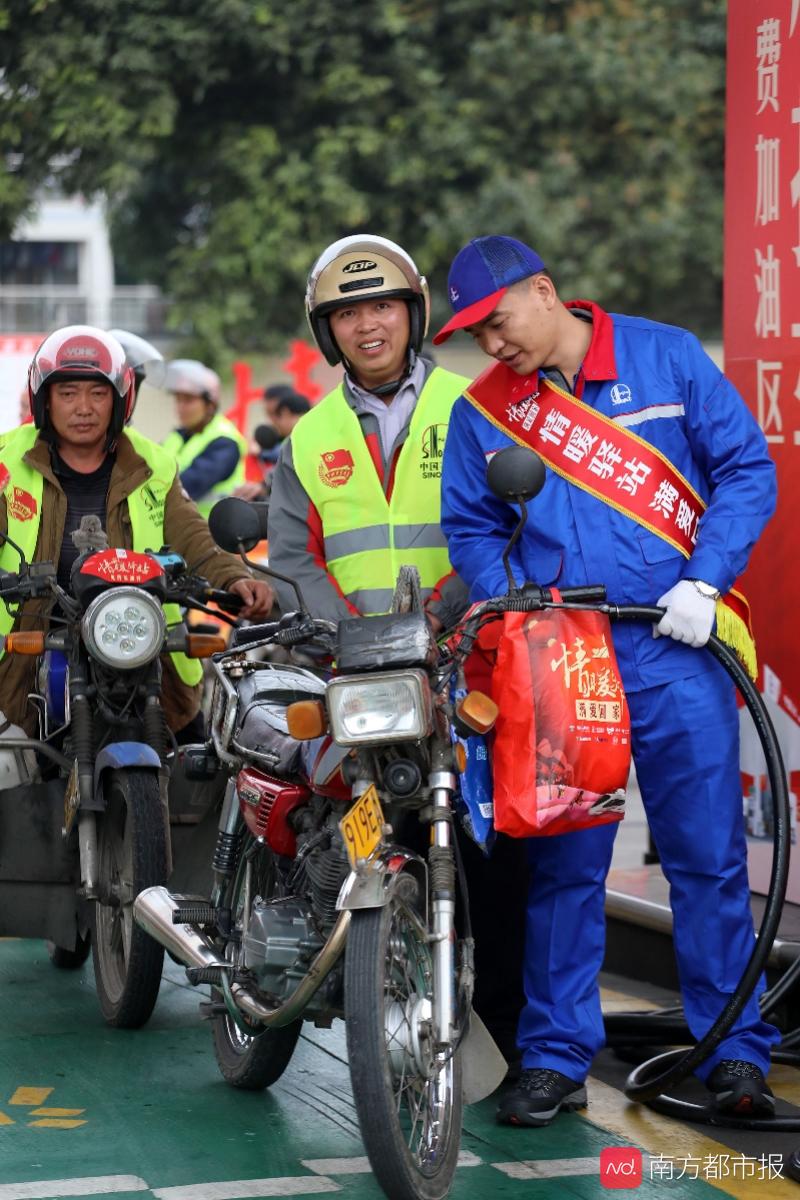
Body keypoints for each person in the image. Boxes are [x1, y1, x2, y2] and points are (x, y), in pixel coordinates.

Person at [435, 235, 781, 1126]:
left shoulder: (666, 356)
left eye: (497, 322)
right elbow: (470, 529)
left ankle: (733, 1051)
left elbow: (747, 469)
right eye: (475, 333)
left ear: (544, 291)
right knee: (566, 863)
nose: (492, 345)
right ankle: (554, 1057)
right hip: (563, 660)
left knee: (706, 857)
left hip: (677, 648)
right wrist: (516, 602)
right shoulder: (485, 413)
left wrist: (705, 580)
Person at [267, 233, 529, 1068]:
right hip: (356, 675)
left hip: (468, 663)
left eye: (382, 305)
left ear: (413, 315)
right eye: (347, 312)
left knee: (491, 850)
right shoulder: (306, 440)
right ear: (327, 331)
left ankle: (514, 1041)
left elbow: (510, 523)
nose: (367, 325)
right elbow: (295, 558)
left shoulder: (477, 405)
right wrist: (351, 637)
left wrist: (444, 618)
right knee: (350, 832)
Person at [0, 326, 273, 741]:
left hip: (138, 637)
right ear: (45, 400)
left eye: (98, 393)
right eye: (68, 393)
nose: (83, 408)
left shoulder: (154, 462)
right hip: (28, 643)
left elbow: (192, 533)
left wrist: (235, 577)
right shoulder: (7, 459)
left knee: (199, 762)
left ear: (119, 399)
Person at [162, 359, 247, 517]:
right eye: (178, 399)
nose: (180, 407)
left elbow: (189, 484)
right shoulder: (178, 436)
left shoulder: (225, 441)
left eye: (188, 400)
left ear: (210, 404)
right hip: (181, 529)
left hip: (214, 533)